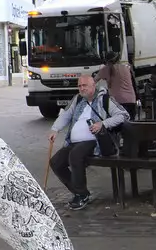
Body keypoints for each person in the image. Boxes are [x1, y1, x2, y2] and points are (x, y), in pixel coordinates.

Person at [47, 74, 127, 210]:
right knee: (56, 162)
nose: (81, 88)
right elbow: (66, 115)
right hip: (74, 142)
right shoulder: (77, 99)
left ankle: (81, 194)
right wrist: (55, 129)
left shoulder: (104, 99)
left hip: (95, 141)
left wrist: (103, 124)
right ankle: (81, 192)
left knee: (75, 155)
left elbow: (123, 115)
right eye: (79, 86)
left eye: (85, 85)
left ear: (93, 86)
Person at [98, 54, 138, 119]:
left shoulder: (105, 69)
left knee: (117, 126)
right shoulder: (126, 68)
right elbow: (134, 84)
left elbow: (92, 82)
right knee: (130, 124)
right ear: (118, 59)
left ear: (106, 61)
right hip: (131, 100)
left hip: (116, 103)